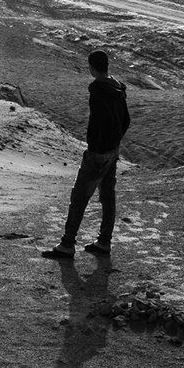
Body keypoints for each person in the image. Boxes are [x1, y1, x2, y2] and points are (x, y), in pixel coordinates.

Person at [41, 50, 130, 260]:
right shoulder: (117, 87)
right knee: (108, 198)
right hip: (113, 151)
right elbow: (126, 120)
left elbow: (98, 121)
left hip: (98, 153)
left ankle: (67, 244)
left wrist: (95, 146)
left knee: (79, 198)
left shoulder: (98, 89)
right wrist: (114, 142)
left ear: (92, 67)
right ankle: (104, 242)